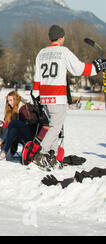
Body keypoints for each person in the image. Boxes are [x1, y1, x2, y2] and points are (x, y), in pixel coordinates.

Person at [32, 24, 104, 169]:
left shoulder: (41, 53)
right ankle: (41, 154)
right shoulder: (63, 51)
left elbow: (37, 78)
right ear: (60, 37)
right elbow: (79, 69)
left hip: (44, 97)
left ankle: (51, 156)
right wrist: (98, 66)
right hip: (57, 97)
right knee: (55, 127)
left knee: (54, 127)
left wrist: (36, 95)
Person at [0, 91, 35, 159]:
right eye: (8, 101)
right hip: (21, 133)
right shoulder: (13, 109)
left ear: (16, 99)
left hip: (29, 132)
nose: (9, 103)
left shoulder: (22, 107)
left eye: (11, 100)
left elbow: (28, 121)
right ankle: (5, 152)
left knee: (13, 122)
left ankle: (0, 141)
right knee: (12, 130)